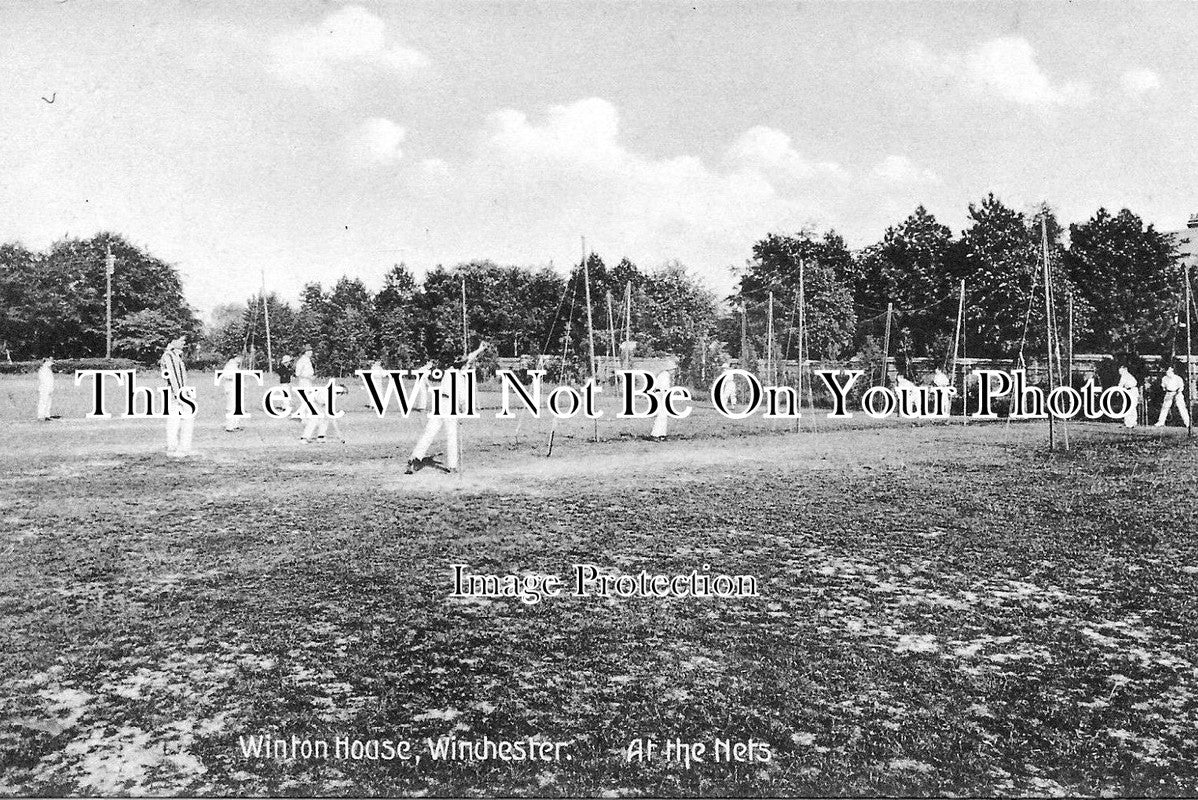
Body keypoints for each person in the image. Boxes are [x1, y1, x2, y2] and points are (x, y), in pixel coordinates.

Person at [405, 342, 487, 474]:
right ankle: (452, 466)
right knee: (451, 435)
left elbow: (468, 359)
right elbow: (462, 394)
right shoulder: (458, 374)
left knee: (429, 433)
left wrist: (479, 349)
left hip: (439, 402)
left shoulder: (444, 369)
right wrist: (463, 407)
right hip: (450, 404)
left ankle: (414, 458)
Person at [160, 336, 196, 458]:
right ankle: (176, 448)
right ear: (172, 341)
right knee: (176, 421)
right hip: (175, 393)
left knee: (180, 420)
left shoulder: (174, 355)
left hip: (178, 392)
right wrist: (180, 395)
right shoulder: (169, 356)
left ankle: (180, 448)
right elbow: (174, 377)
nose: (183, 343)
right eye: (181, 340)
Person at [218, 354, 243, 432]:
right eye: (240, 357)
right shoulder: (230, 365)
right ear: (236, 357)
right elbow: (227, 376)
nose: (241, 359)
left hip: (236, 388)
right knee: (231, 407)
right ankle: (229, 426)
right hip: (231, 388)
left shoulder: (235, 366)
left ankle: (235, 424)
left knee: (237, 406)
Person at [292, 346, 315, 419]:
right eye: (310, 351)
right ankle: (302, 416)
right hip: (304, 382)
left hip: (308, 382)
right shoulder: (301, 361)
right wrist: (308, 376)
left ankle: (307, 415)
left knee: (310, 398)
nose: (311, 352)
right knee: (306, 399)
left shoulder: (307, 360)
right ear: (306, 352)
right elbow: (298, 373)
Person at [650, 369, 672, 441]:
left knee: (663, 415)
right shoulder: (663, 374)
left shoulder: (665, 374)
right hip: (660, 394)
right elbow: (660, 388)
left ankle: (662, 434)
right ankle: (655, 434)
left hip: (663, 393)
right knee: (661, 415)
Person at [37, 356, 57, 421]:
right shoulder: (43, 370)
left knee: (48, 402)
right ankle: (41, 415)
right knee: (43, 401)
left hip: (49, 388)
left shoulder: (48, 370)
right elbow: (44, 381)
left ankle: (47, 415)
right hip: (44, 388)